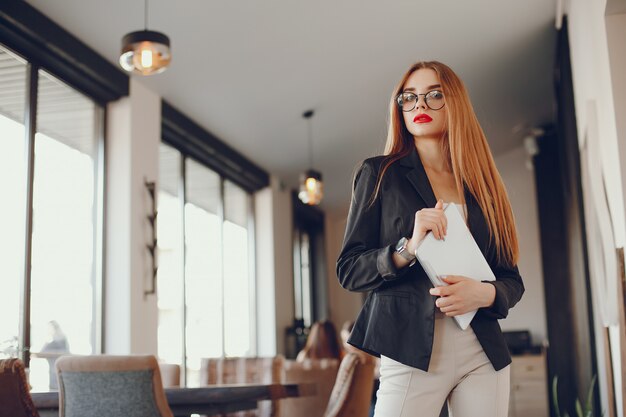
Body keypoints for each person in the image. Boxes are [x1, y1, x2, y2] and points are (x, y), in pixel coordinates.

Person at [336, 61, 524, 417]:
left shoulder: (483, 186)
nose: (420, 105)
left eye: (434, 95)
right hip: (409, 347)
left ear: (455, 103)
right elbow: (349, 270)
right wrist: (408, 248)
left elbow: (511, 279)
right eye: (409, 98)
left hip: (481, 349)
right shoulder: (378, 174)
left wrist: (483, 293)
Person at [39, 320, 69, 390]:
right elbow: (42, 352)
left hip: (59, 371)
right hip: (53, 372)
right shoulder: (50, 341)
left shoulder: (61, 340)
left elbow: (66, 352)